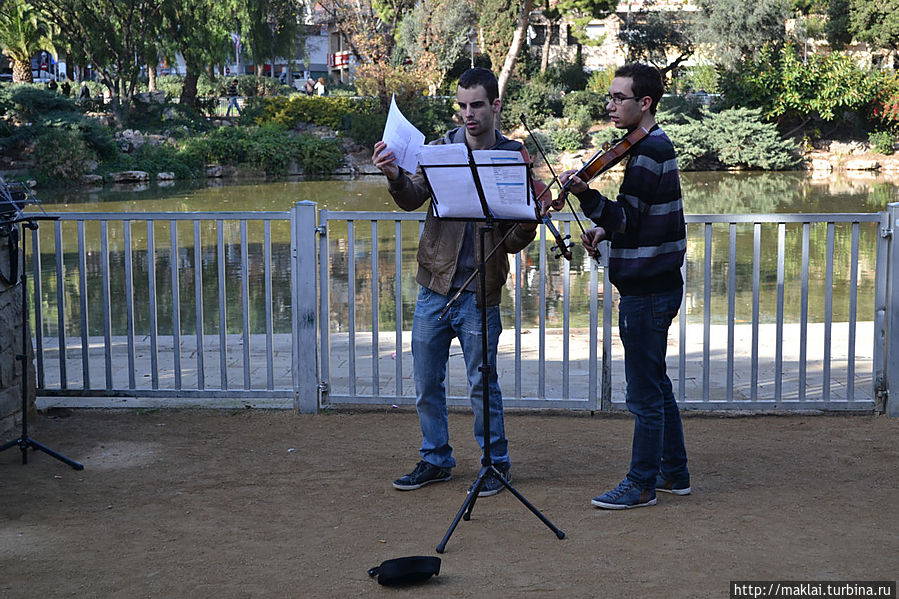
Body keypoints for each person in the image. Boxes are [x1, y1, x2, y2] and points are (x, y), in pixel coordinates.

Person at [371, 68, 538, 497]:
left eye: (476, 105)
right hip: (434, 287)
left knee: (483, 385)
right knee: (426, 382)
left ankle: (495, 464)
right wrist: (393, 175)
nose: (468, 114)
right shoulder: (441, 149)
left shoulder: (513, 157)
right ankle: (435, 459)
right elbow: (412, 198)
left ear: (495, 106)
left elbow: (513, 242)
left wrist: (529, 219)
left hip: (481, 292)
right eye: (462, 106)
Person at [559, 63, 690, 510]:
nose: (611, 106)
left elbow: (627, 219)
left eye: (619, 98)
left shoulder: (648, 153)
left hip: (647, 292)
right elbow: (639, 220)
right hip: (658, 285)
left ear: (645, 102)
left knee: (643, 393)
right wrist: (605, 230)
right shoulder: (651, 146)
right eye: (610, 98)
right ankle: (674, 473)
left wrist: (585, 195)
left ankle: (641, 485)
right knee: (656, 384)